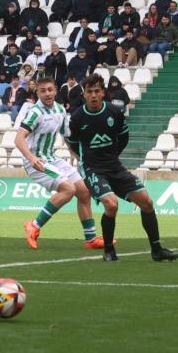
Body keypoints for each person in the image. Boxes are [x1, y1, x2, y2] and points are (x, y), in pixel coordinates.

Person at [67, 75, 178, 262]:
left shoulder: (114, 112)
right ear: (85, 94)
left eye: (97, 91)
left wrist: (113, 156)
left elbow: (124, 136)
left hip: (114, 166)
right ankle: (109, 250)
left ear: (103, 93)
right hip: (93, 169)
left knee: (147, 202)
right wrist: (86, 162)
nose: (94, 95)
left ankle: (157, 250)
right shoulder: (77, 117)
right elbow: (72, 144)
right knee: (112, 204)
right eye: (89, 92)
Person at [16, 77, 105, 251]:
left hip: (52, 158)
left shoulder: (60, 110)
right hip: (36, 161)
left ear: (56, 90)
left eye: (50, 89)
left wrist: (78, 156)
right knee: (69, 189)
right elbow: (19, 139)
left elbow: (65, 136)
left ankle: (91, 239)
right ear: (38, 93)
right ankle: (33, 226)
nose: (47, 93)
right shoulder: (35, 112)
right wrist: (32, 158)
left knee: (84, 191)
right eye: (43, 91)